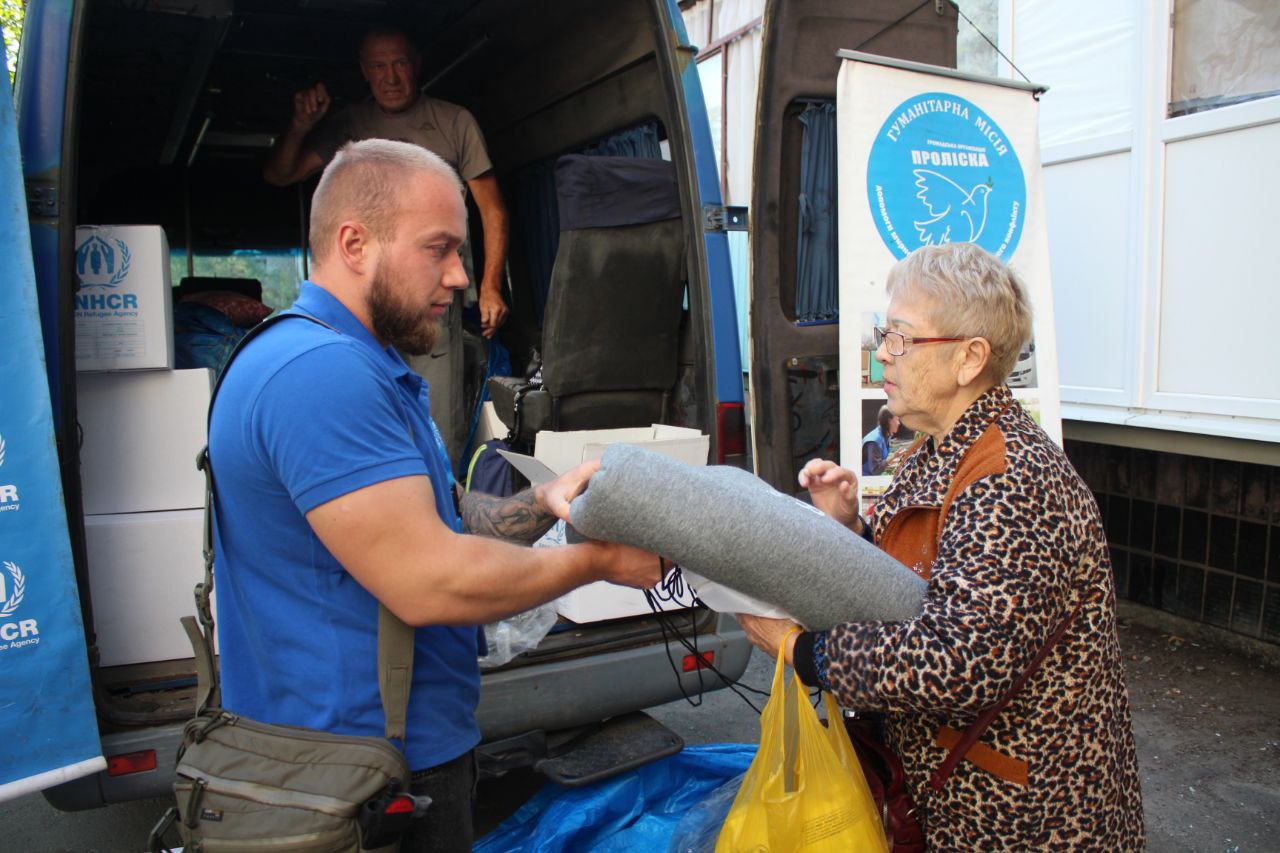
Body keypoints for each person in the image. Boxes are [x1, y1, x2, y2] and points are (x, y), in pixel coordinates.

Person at [210, 139, 660, 852]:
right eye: (440, 248)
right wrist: (598, 561)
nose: (459, 275)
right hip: (358, 776)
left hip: (387, 758)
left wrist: (546, 504)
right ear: (355, 243)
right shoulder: (320, 375)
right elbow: (429, 580)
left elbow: (446, 520)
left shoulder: (362, 360)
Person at [738, 243, 1144, 849]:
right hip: (969, 798)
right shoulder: (944, 447)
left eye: (901, 337)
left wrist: (801, 652)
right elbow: (935, 582)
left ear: (970, 358)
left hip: (1027, 821)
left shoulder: (1009, 480)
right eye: (884, 334)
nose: (883, 354)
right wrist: (854, 531)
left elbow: (954, 663)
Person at [263, 25, 510, 458]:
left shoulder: (454, 122)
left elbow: (492, 210)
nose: (390, 76)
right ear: (364, 71)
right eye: (379, 66)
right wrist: (301, 125)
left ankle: (441, 503)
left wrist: (490, 286)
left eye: (399, 63)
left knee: (439, 425)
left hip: (435, 300)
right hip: (366, 300)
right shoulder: (350, 126)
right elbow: (280, 174)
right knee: (366, 408)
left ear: (415, 66)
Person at [861, 405, 900, 476]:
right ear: (889, 421)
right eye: (897, 419)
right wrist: (892, 458)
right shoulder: (874, 441)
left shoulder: (885, 434)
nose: (899, 423)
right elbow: (875, 470)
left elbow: (880, 460)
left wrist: (894, 460)